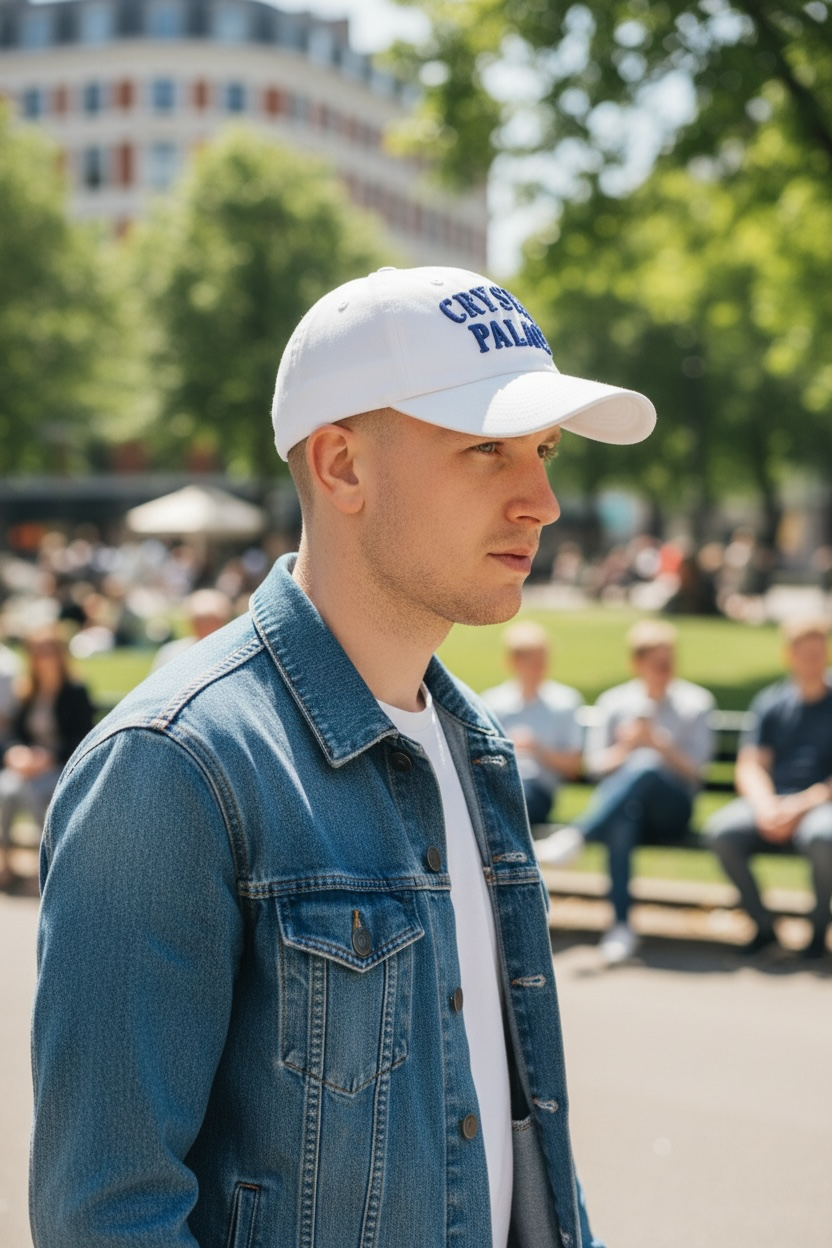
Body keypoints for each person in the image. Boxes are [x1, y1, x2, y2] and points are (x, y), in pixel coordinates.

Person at [31, 264, 655, 1248]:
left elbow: (514, 1135)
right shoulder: (172, 767)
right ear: (341, 466)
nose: (541, 500)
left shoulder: (474, 749)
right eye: (487, 448)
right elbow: (106, 1214)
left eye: (543, 451)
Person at [537, 620, 714, 964]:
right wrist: (626, 747)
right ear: (638, 663)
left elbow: (697, 772)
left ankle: (577, 836)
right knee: (622, 818)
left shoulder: (695, 703)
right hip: (627, 807)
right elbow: (595, 766)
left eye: (670, 661)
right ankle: (621, 927)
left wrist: (657, 744)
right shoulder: (615, 702)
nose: (665, 669)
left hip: (673, 808)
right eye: (658, 662)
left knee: (646, 765)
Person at [706, 616, 832, 959]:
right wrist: (765, 806)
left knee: (823, 838)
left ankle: (818, 930)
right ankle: (763, 927)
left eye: (819, 652)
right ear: (789, 655)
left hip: (820, 804)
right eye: (806, 653)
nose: (813, 660)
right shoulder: (772, 702)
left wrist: (801, 805)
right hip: (774, 801)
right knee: (722, 832)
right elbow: (751, 764)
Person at [0, 624, 93, 890]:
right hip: (29, 766)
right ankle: (6, 861)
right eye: (37, 651)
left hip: (61, 766)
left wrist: (49, 757)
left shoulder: (75, 691)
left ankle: (45, 866)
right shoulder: (27, 691)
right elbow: (16, 734)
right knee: (6, 789)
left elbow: (82, 737)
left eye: (49, 650)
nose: (43, 656)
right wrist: (16, 752)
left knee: (32, 791)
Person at [483, 621, 583, 828]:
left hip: (538, 789)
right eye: (531, 661)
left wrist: (538, 749)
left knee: (513, 800)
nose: (539, 668)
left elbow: (574, 767)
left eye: (542, 660)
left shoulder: (564, 702)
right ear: (513, 662)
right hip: (497, 784)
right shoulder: (491, 703)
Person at [150, 587, 234, 670]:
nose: (204, 628)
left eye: (211, 622)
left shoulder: (232, 654)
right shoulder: (172, 653)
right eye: (199, 622)